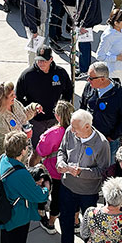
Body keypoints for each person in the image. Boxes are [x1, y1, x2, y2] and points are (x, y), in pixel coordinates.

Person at [52, 109, 110, 243]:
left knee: (89, 225)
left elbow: (103, 171)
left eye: (75, 129)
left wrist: (80, 172)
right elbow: (61, 150)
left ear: (87, 127)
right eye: (71, 127)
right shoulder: (70, 132)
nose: (72, 131)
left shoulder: (102, 143)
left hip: (88, 193)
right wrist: (60, 162)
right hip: (67, 186)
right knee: (65, 217)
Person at [0, 131, 50, 243]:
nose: (28, 149)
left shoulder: (3, 159)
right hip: (17, 216)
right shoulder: (19, 173)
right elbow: (36, 194)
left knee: (6, 241)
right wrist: (46, 188)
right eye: (26, 147)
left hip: (5, 212)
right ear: (22, 151)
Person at [15, 47, 72, 140]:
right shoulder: (27, 75)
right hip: (36, 121)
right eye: (39, 60)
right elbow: (18, 97)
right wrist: (30, 111)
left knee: (56, 144)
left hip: (55, 119)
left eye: (44, 60)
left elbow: (68, 90)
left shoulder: (60, 73)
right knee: (37, 147)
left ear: (51, 59)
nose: (41, 63)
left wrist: (62, 108)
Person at [34, 99, 73, 234]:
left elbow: (40, 152)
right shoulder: (77, 131)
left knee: (48, 196)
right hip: (71, 172)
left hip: (53, 172)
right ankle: (76, 223)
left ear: (57, 116)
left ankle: (49, 223)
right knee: (65, 198)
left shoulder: (53, 133)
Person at [80, 62, 122, 156]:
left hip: (108, 142)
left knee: (107, 167)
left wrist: (112, 137)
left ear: (102, 79)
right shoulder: (89, 87)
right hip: (89, 137)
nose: (88, 80)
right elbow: (83, 106)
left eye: (91, 78)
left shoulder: (120, 95)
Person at [0, 81, 41, 159]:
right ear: (2, 99)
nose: (15, 96)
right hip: (9, 160)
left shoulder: (14, 103)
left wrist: (33, 107)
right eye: (11, 95)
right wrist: (25, 137)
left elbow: (23, 115)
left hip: (21, 153)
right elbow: (6, 146)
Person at [73, 0, 102, 74]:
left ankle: (84, 70)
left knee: (84, 45)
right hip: (85, 20)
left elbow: (90, 7)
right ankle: (83, 65)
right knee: (83, 45)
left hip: (87, 22)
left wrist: (83, 24)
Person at [21, 0, 50, 64]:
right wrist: (34, 30)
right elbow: (29, 12)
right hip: (35, 25)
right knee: (34, 49)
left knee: (39, 47)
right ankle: (32, 68)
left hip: (39, 23)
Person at [96, 9, 122, 88]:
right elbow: (100, 56)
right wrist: (117, 58)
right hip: (114, 71)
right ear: (116, 23)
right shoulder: (108, 36)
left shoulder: (120, 29)